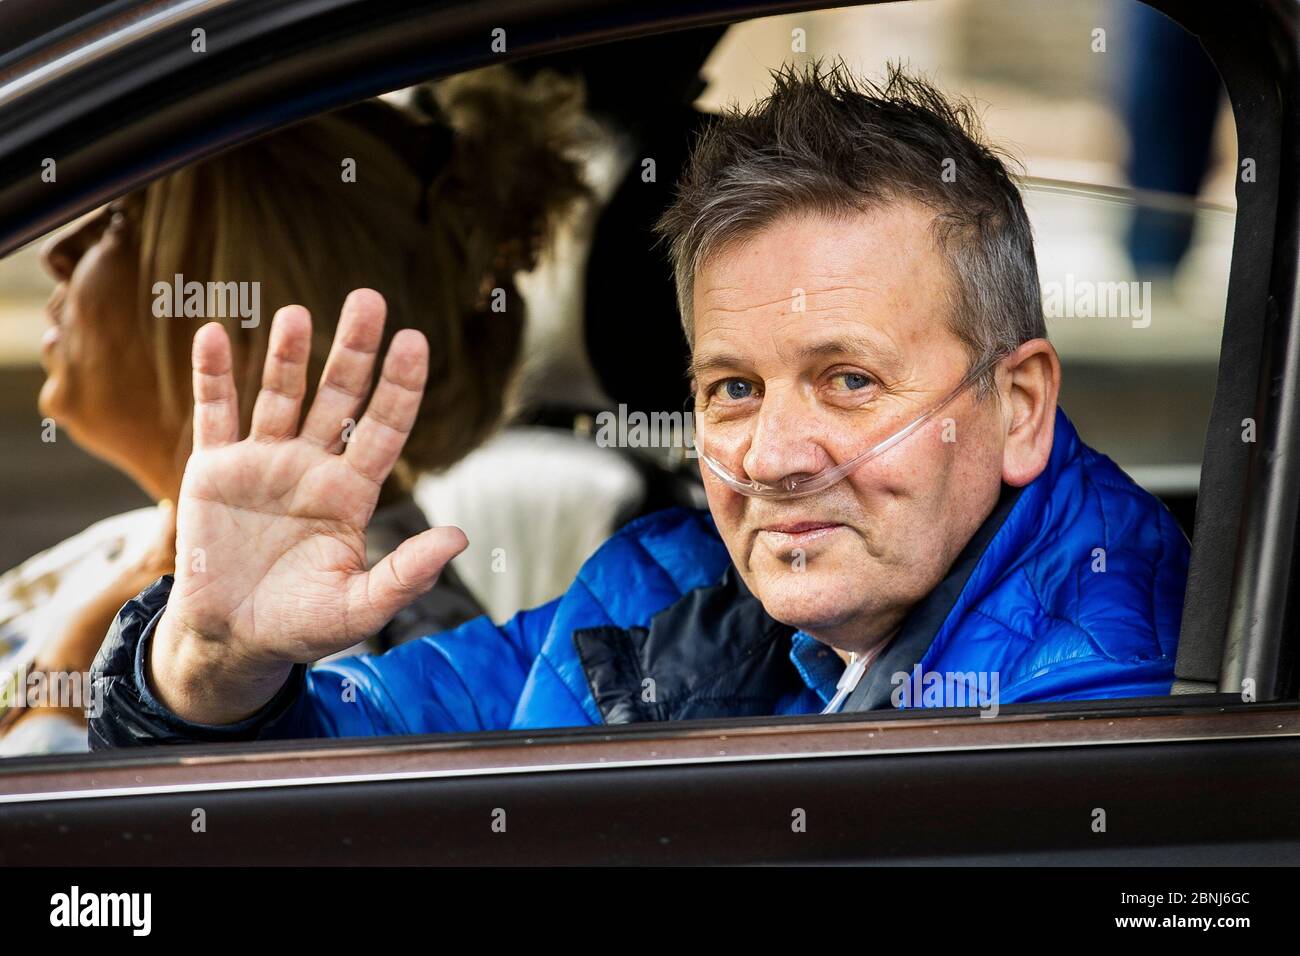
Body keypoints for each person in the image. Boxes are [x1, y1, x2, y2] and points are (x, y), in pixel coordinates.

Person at [89, 61, 1189, 747]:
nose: (773, 455)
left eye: (848, 381)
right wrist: (213, 658)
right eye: (733, 388)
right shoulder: (662, 586)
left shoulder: (1090, 711)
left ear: (1018, 404)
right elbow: (362, 754)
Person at [0, 67, 586, 753]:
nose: (56, 251)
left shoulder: (367, 660)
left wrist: (66, 687)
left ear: (245, 301)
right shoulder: (138, 545)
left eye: (123, 217)